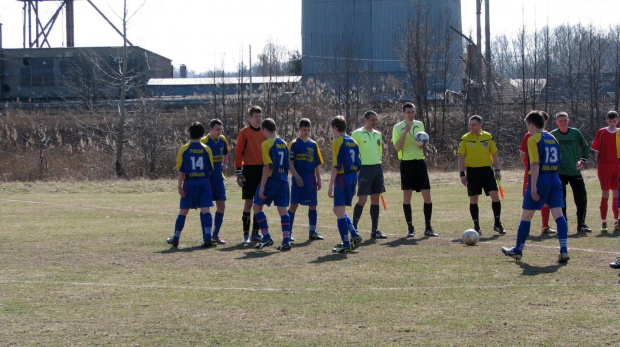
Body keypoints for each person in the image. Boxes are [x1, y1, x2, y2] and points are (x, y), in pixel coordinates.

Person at [502, 110, 570, 263]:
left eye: (527, 125)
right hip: (555, 178)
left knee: (526, 215)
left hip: (541, 178)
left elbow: (534, 163)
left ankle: (518, 250)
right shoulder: (553, 138)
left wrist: (533, 187)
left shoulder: (533, 139)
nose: (527, 128)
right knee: (559, 214)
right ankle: (564, 250)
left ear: (532, 124)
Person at [391, 102, 437, 238]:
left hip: (420, 163)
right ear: (403, 113)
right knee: (407, 196)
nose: (411, 114)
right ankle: (410, 228)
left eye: (413, 112)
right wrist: (405, 132)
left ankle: (428, 227)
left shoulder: (420, 124)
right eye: (408, 112)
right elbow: (397, 147)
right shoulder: (397, 127)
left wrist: (423, 145)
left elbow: (423, 141)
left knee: (427, 195)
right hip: (406, 164)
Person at [166, 122, 215, 248]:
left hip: (190, 182)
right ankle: (208, 237)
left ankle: (176, 238)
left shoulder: (184, 149)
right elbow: (210, 169)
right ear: (203, 134)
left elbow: (180, 170)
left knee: (183, 211)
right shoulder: (206, 149)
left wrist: (179, 186)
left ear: (189, 133)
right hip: (204, 181)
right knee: (206, 209)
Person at [457, 115, 505, 235]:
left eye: (473, 125)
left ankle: (497, 224)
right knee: (474, 198)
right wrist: (462, 174)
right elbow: (461, 157)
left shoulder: (488, 137)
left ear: (480, 125)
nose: (471, 127)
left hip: (487, 171)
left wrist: (497, 170)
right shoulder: (465, 138)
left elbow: (494, 155)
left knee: (495, 195)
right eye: (470, 124)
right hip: (472, 172)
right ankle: (476, 225)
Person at [253, 118, 292, 251]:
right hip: (284, 180)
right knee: (283, 211)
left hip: (272, 180)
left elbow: (267, 167)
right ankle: (286, 241)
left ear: (264, 129)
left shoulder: (266, 144)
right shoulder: (284, 143)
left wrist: (262, 186)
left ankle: (266, 236)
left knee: (257, 206)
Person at [550, 112, 591, 233]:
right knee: (561, 199)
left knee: (581, 198)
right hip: (559, 172)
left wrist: (583, 160)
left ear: (569, 120)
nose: (563, 122)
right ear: (556, 122)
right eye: (560, 120)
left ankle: (581, 224)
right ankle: (563, 224)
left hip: (575, 171)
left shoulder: (575, 133)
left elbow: (585, 146)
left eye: (565, 120)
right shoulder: (552, 135)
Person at [328, 115, 363, 253]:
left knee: (340, 211)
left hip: (342, 177)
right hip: (353, 176)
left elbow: (336, 165)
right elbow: (359, 166)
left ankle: (346, 243)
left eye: (332, 128)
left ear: (335, 128)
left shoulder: (337, 142)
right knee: (337, 210)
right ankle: (354, 235)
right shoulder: (353, 141)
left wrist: (330, 185)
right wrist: (355, 184)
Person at [351, 110, 387, 239]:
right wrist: (357, 168)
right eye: (372, 119)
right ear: (365, 119)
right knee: (362, 199)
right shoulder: (357, 133)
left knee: (375, 199)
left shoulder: (378, 134)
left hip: (377, 167)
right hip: (364, 169)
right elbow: (353, 152)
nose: (375, 122)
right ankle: (354, 230)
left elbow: (379, 151)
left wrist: (379, 164)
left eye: (376, 120)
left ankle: (374, 230)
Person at [288, 118, 325, 241]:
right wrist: (296, 176)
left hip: (310, 178)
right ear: (299, 129)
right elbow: (290, 163)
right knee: (293, 205)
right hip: (298, 177)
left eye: (308, 130)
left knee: (313, 205)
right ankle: (288, 232)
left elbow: (316, 164)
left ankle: (312, 232)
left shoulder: (313, 145)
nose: (306, 132)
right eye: (304, 130)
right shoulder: (294, 144)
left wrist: (319, 179)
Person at [235, 106, 267, 244]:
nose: (258, 119)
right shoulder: (244, 132)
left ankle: (255, 233)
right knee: (248, 202)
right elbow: (238, 153)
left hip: (262, 170)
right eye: (256, 116)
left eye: (260, 116)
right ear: (250, 118)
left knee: (259, 202)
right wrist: (239, 173)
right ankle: (245, 235)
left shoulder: (265, 131)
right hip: (248, 170)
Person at [519, 111, 554, 235]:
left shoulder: (548, 136)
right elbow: (523, 154)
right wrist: (529, 168)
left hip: (544, 174)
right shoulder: (529, 136)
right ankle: (525, 227)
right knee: (529, 199)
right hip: (534, 173)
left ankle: (545, 225)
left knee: (545, 200)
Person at [201, 119, 230, 244]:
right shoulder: (204, 142)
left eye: (221, 129)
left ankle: (215, 234)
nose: (219, 132)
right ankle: (206, 235)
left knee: (221, 206)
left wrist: (225, 164)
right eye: (217, 129)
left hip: (219, 179)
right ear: (210, 129)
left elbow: (226, 153)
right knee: (205, 208)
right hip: (207, 180)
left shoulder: (223, 140)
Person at [591, 110, 620, 233]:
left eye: (614, 121)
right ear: (607, 120)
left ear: (618, 120)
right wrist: (600, 161)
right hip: (604, 166)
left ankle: (616, 221)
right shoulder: (601, 132)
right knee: (605, 194)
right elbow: (596, 149)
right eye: (610, 121)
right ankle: (603, 222)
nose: (612, 123)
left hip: (617, 166)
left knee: (616, 195)